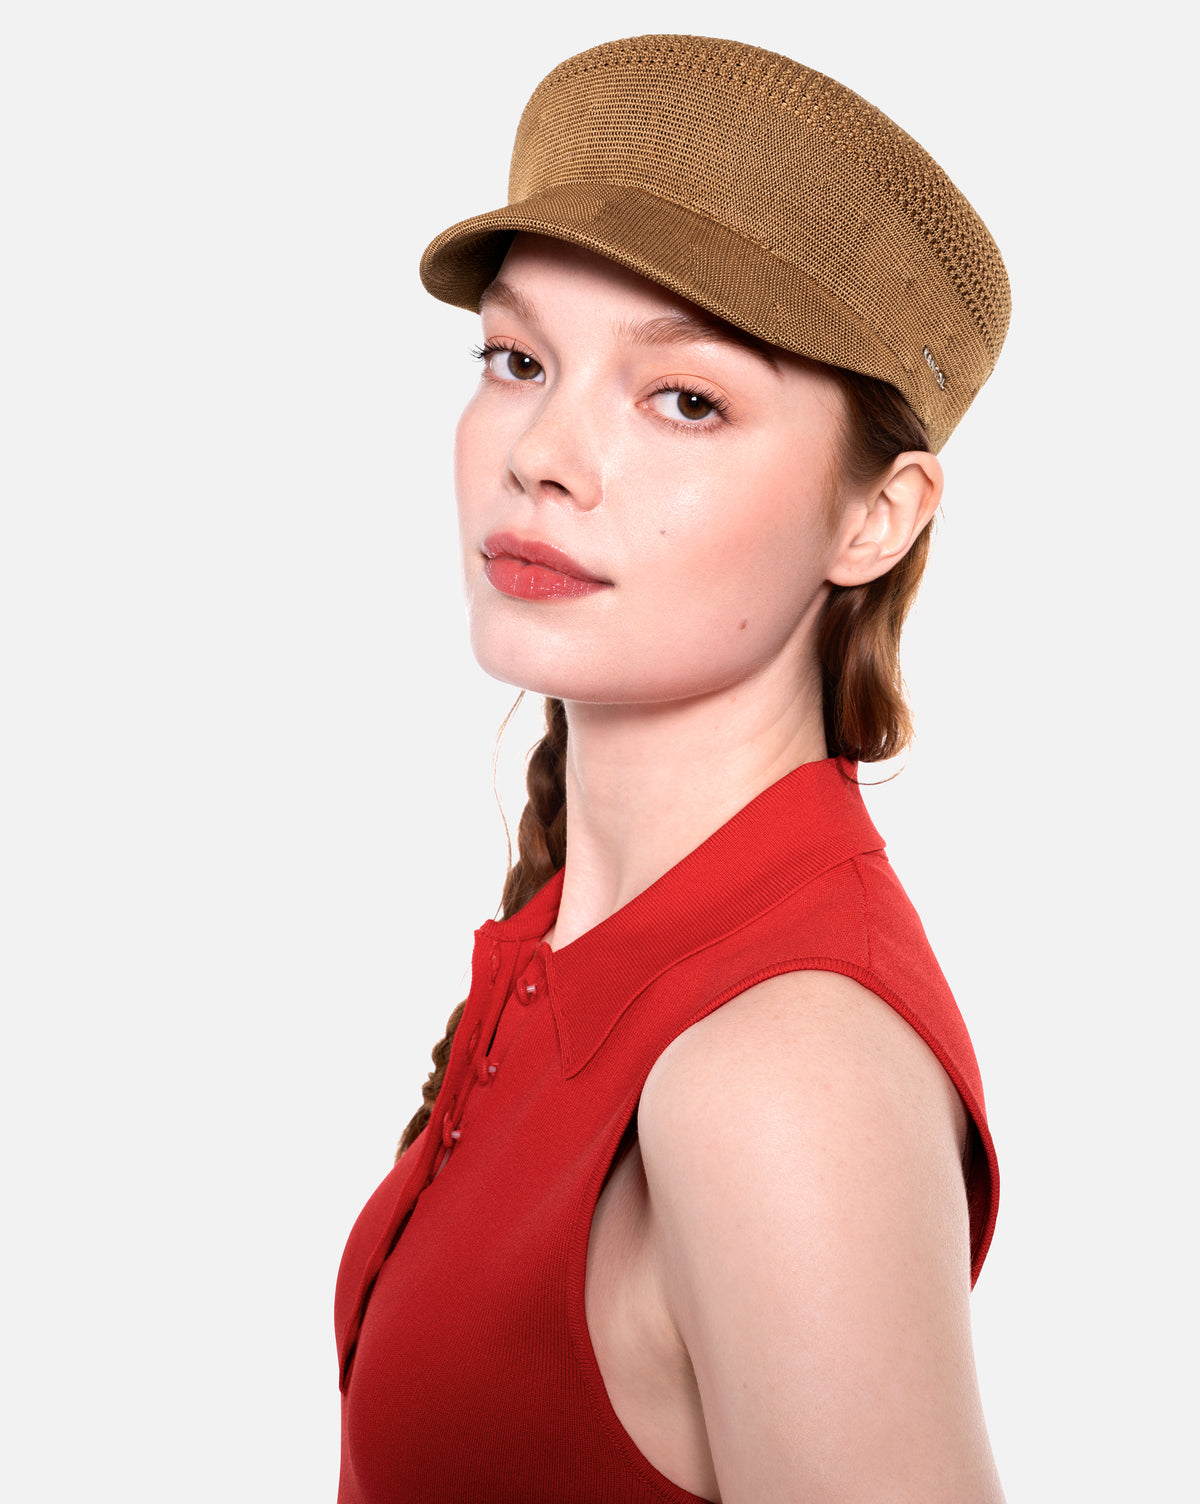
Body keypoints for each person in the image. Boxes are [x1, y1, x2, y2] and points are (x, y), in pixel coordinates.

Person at [336, 34, 1008, 1504]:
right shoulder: (569, 956)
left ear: (876, 517)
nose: (543, 454)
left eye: (684, 398)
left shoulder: (781, 1072)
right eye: (518, 361)